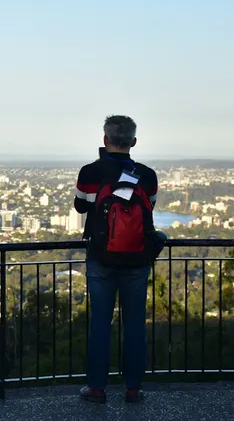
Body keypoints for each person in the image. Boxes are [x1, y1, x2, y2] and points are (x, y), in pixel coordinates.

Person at [75, 115, 158, 403]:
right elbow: (150, 208)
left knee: (100, 322)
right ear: (134, 141)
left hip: (100, 257)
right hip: (136, 258)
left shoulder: (89, 172)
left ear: (105, 139)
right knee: (135, 323)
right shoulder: (147, 175)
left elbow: (80, 206)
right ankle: (133, 387)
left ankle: (97, 387)